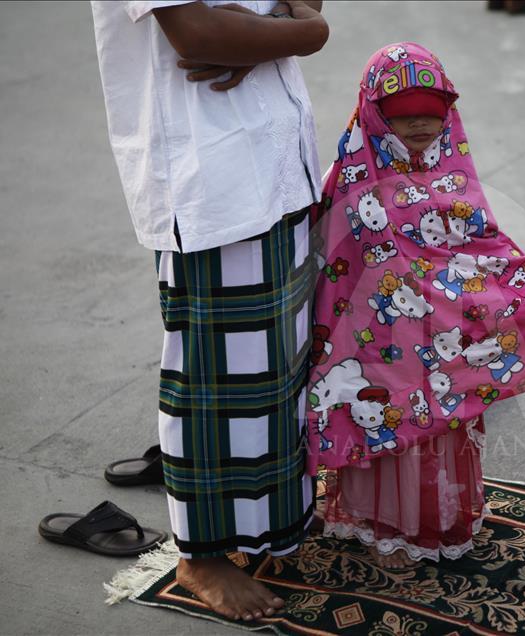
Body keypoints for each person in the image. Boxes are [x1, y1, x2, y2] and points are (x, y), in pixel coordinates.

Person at [306, 42, 525, 568]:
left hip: (444, 338)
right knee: (387, 423)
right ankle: (386, 525)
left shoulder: (451, 172)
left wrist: (515, 292)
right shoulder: (355, 178)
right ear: (376, 117)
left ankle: (434, 520)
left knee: (441, 431)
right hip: (380, 346)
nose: (421, 125)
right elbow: (344, 262)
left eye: (433, 112)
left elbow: (481, 244)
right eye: (404, 117)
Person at [90, 0, 327, 623]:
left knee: (278, 362)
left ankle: (270, 521)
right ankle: (203, 553)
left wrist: (264, 39)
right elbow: (195, 32)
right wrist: (302, 34)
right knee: (216, 377)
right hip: (207, 172)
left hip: (277, 152)